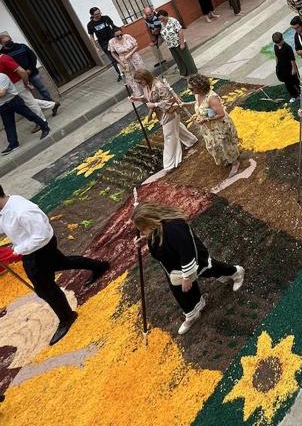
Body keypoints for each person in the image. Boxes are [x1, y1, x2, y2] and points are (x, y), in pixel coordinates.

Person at [0, 184, 108, 344]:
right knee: (61, 263)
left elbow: (41, 235)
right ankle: (99, 266)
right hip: (34, 248)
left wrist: (18, 250)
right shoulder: (6, 205)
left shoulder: (22, 210)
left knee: (45, 288)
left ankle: (66, 317)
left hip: (38, 250)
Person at [132, 202, 244, 335]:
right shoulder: (157, 229)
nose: (142, 232)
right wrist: (146, 239)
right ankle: (192, 313)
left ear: (150, 221)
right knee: (179, 291)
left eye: (143, 229)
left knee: (210, 269)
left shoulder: (174, 228)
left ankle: (236, 272)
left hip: (194, 261)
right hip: (173, 269)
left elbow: (187, 253)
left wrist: (187, 277)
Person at [131, 68, 197, 171]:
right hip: (163, 114)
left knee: (169, 137)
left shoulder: (159, 85)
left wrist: (155, 104)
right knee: (177, 129)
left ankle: (170, 163)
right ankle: (191, 140)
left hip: (169, 113)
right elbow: (150, 97)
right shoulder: (147, 86)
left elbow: (169, 100)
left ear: (145, 78)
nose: (139, 84)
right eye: (138, 83)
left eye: (140, 82)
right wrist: (138, 99)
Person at [188, 74, 241, 176]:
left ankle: (235, 163)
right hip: (209, 128)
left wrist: (205, 119)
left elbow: (221, 114)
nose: (190, 90)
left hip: (219, 127)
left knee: (226, 145)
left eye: (191, 88)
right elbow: (200, 105)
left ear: (199, 87)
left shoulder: (212, 98)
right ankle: (227, 158)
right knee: (215, 145)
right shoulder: (197, 94)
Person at [0, 32, 59, 107]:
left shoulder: (22, 46)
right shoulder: (3, 54)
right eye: (6, 42)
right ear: (1, 43)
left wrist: (29, 69)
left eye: (9, 40)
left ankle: (51, 103)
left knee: (42, 89)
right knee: (29, 94)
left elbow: (33, 57)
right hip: (19, 78)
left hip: (32, 73)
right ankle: (39, 107)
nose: (9, 42)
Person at [0, 51, 55, 129]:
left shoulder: (3, 59)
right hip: (11, 85)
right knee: (27, 101)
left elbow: (21, 71)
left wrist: (26, 83)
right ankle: (52, 105)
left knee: (30, 103)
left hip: (16, 84)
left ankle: (42, 121)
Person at [0, 72, 50, 153]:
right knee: (8, 125)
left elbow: (2, 93)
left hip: (13, 100)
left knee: (29, 115)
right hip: (2, 105)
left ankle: (45, 127)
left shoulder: (2, 77)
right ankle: (13, 144)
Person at [156, 10, 198, 77]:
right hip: (171, 45)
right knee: (178, 60)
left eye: (162, 18)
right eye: (160, 19)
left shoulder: (173, 21)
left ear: (166, 15)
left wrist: (182, 43)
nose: (161, 20)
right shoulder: (162, 23)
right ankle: (184, 73)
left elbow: (180, 31)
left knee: (187, 58)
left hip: (178, 43)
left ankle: (193, 72)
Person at [86, 7, 121, 80]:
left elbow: (113, 27)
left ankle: (127, 69)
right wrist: (95, 47)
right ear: (92, 15)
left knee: (120, 55)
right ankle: (120, 73)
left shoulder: (106, 18)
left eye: (99, 13)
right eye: (96, 14)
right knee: (113, 59)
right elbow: (91, 36)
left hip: (113, 40)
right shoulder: (90, 24)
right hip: (104, 44)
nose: (98, 15)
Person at [108, 28, 145, 97]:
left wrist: (130, 54)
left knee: (140, 72)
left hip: (134, 55)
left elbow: (136, 45)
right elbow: (113, 53)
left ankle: (146, 88)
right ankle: (138, 93)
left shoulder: (127, 36)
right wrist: (120, 62)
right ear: (114, 36)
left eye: (120, 34)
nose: (119, 37)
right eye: (117, 36)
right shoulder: (111, 42)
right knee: (130, 76)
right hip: (123, 59)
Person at [272, 32, 301, 100]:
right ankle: (294, 95)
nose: (278, 44)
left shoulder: (288, 47)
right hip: (282, 67)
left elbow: (292, 59)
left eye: (279, 42)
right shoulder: (275, 46)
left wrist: (294, 69)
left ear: (282, 39)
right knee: (287, 83)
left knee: (295, 80)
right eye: (276, 43)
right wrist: (277, 65)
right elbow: (276, 56)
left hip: (290, 67)